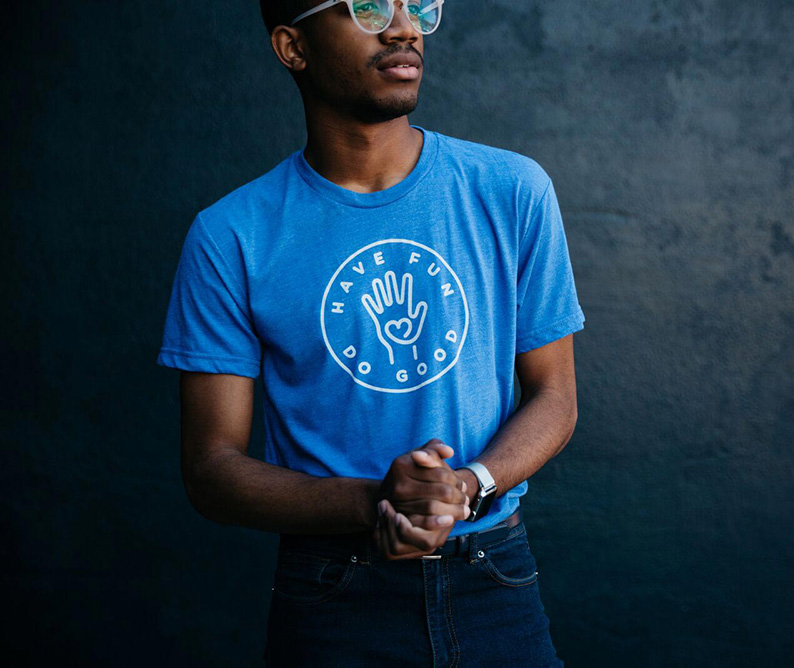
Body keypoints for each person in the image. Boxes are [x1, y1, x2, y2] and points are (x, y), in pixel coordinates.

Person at [155, 0, 585, 664]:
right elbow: (211, 469)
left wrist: (466, 487)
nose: (404, 27)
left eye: (419, 6)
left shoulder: (513, 190)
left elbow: (556, 398)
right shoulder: (231, 235)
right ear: (293, 47)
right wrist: (375, 503)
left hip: (494, 580)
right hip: (334, 594)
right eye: (367, 7)